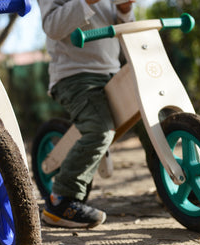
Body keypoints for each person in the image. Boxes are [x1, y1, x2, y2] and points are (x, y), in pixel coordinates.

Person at [37, 0, 136, 228]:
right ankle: (61, 200)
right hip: (75, 75)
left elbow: (122, 24)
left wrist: (124, 9)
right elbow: (52, 26)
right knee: (100, 129)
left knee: (147, 111)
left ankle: (171, 183)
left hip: (111, 69)